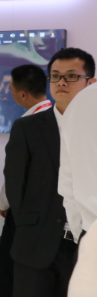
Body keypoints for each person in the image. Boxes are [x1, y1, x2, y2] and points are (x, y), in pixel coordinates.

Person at [5, 48, 95, 297]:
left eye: (72, 76)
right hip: (36, 243)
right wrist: (32, 226)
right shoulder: (27, 127)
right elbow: (15, 186)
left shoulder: (93, 129)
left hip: (85, 244)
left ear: (91, 83)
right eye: (55, 76)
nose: (61, 82)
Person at [0, 64, 52, 297]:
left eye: (10, 89)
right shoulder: (58, 118)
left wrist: (3, 203)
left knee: (13, 277)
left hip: (22, 217)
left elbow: (14, 174)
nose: (7, 93)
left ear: (22, 94)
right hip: (50, 217)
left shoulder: (25, 124)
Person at [60, 52, 97, 251]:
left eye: (71, 76)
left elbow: (67, 183)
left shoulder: (82, 101)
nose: (61, 83)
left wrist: (79, 233)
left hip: (91, 233)